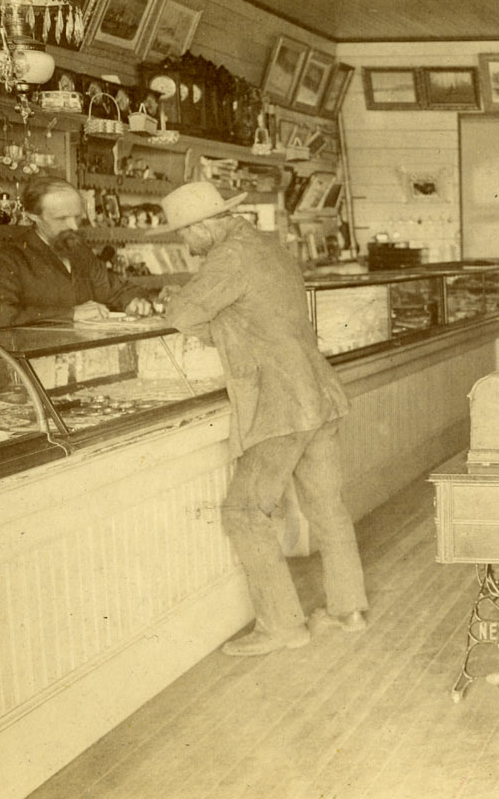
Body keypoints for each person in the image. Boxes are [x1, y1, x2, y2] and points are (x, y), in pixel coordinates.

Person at [156, 181, 366, 654]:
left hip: (279, 403)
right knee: (327, 507)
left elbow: (181, 316)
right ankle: (348, 610)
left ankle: (282, 627)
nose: (185, 245)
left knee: (244, 512)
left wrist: (207, 323)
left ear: (202, 226)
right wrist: (227, 326)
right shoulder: (267, 245)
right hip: (319, 393)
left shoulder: (227, 257)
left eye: (183, 235)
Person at [0, 180, 156, 329]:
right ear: (33, 217)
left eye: (77, 217)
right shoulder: (8, 258)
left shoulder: (79, 251)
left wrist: (134, 301)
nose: (74, 226)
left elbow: (116, 290)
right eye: (62, 218)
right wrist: (71, 314)